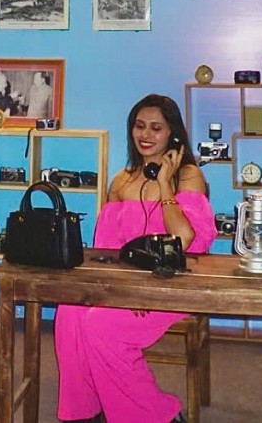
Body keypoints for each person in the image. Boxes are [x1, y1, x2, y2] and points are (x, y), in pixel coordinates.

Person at [53, 93, 217, 423]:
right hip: (127, 285)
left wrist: (165, 185)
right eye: (139, 126)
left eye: (156, 128)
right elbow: (107, 250)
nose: (145, 134)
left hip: (173, 287)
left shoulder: (188, 177)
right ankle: (86, 410)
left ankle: (159, 414)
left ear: (172, 134)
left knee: (101, 326)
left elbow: (184, 240)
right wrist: (120, 291)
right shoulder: (122, 181)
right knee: (69, 312)